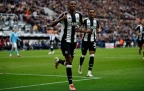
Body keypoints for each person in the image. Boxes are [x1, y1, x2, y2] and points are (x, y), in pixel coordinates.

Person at [47, 1, 90, 90]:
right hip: (65, 41)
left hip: (74, 42)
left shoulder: (79, 15)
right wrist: (61, 19)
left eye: (74, 4)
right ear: (68, 6)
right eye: (71, 4)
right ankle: (71, 84)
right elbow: (52, 24)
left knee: (68, 62)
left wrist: (81, 29)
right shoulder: (64, 14)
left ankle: (59, 61)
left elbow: (82, 24)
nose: (73, 6)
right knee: (69, 61)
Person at [78, 8, 100, 77]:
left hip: (93, 41)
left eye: (93, 12)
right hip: (85, 41)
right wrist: (86, 31)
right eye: (90, 12)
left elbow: (98, 28)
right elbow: (79, 29)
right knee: (83, 55)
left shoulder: (96, 21)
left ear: (94, 13)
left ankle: (89, 72)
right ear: (88, 13)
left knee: (92, 56)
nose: (92, 13)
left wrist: (97, 31)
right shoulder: (85, 21)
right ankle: (80, 65)